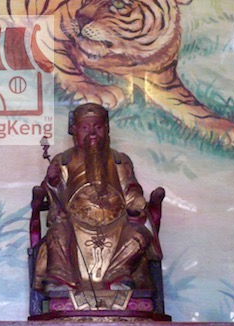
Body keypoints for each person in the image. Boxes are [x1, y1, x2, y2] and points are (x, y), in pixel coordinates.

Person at [33, 103, 159, 293]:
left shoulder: (119, 160)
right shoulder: (64, 160)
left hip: (116, 223)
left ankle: (118, 275)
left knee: (139, 235)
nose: (92, 133)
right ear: (75, 131)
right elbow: (56, 196)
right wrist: (52, 181)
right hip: (74, 222)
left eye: (98, 127)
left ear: (106, 129)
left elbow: (130, 189)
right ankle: (61, 279)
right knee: (58, 233)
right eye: (85, 128)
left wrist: (136, 204)